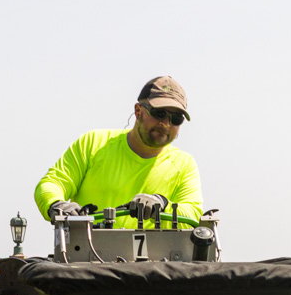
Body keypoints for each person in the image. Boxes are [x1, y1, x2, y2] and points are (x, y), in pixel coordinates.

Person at [33, 76, 203, 228]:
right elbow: (52, 183)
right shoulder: (93, 143)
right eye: (159, 114)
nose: (166, 123)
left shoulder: (184, 164)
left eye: (176, 118)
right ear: (138, 111)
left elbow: (193, 214)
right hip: (85, 261)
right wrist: (56, 205)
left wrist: (161, 204)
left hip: (153, 263)